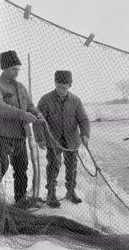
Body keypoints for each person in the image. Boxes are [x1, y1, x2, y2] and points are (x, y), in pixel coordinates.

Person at [34, 70, 90, 208]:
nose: (60, 90)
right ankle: (51, 194)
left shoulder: (76, 101)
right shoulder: (45, 100)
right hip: (53, 140)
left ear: (70, 85)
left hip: (71, 140)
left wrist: (85, 134)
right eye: (58, 86)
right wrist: (40, 138)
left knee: (72, 167)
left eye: (64, 87)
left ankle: (70, 192)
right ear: (55, 83)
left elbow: (83, 119)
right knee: (53, 165)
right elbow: (38, 121)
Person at [0, 50, 40, 207]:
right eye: (14, 69)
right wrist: (22, 114)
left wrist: (36, 113)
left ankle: (20, 200)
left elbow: (30, 106)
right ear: (5, 68)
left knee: (21, 169)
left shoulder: (21, 87)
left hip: (20, 136)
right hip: (2, 135)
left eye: (18, 69)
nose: (17, 72)